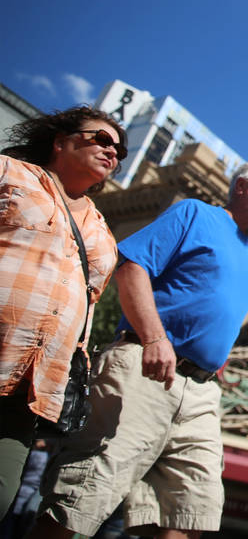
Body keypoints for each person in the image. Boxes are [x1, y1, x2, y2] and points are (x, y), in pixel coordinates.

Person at [30, 161, 248, 539]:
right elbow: (132, 266)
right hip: (146, 367)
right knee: (82, 500)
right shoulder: (195, 213)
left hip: (201, 391)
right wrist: (154, 338)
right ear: (241, 185)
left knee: (189, 513)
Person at [1, 106, 126, 516]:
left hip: (31, 390)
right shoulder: (9, 174)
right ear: (60, 142)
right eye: (101, 139)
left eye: (120, 149)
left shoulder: (102, 230)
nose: (113, 151)